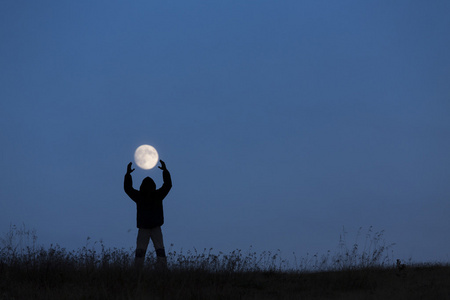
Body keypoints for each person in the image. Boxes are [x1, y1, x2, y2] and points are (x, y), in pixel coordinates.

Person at [124, 160, 172, 269]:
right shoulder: (157, 195)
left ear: (141, 186)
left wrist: (128, 174)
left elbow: (128, 189)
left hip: (144, 228)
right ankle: (162, 269)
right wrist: (165, 171)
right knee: (159, 250)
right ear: (154, 186)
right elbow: (168, 185)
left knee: (141, 250)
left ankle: (138, 269)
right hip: (155, 227)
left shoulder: (140, 196)